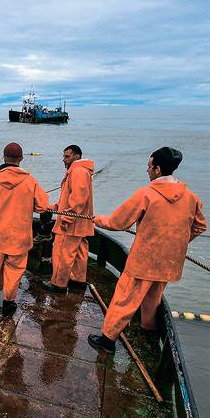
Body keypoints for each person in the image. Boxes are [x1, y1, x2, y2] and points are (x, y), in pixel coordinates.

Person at [88, 147, 207, 354]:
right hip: (170, 262)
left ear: (158, 169)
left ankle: (107, 339)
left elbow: (117, 222)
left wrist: (95, 219)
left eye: (149, 166)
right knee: (154, 297)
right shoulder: (191, 197)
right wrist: (177, 242)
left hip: (144, 260)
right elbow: (199, 226)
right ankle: (149, 330)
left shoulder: (147, 194)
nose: (147, 170)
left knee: (124, 299)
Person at [0, 142, 49, 316]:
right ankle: (8, 303)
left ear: (3, 158)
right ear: (22, 159)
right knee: (15, 269)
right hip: (20, 235)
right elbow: (42, 206)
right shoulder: (29, 181)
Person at [43, 145, 94, 293]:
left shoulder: (77, 171)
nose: (63, 160)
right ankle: (78, 281)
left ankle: (58, 284)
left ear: (76, 156)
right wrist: (54, 206)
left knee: (62, 253)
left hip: (71, 224)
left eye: (67, 157)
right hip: (81, 224)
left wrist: (66, 219)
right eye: (64, 156)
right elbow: (71, 198)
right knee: (79, 253)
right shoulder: (83, 171)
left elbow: (78, 199)